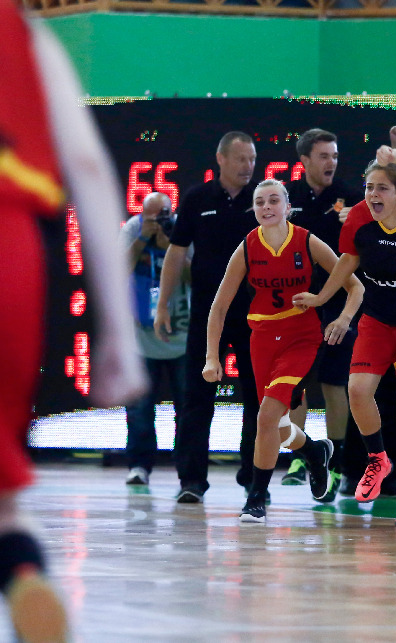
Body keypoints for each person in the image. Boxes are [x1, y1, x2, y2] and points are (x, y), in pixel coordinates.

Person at [1, 5, 147, 641]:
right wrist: (120, 336)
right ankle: (23, 572)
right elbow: (87, 167)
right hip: (11, 254)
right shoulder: (19, 27)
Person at [293, 161, 396, 528]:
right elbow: (348, 261)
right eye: (369, 187)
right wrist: (322, 298)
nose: (372, 195)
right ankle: (377, 458)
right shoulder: (359, 218)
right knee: (357, 389)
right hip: (379, 320)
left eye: (382, 189)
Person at [203, 179, 363, 522]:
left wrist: (343, 319)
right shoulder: (247, 247)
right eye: (260, 202)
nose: (266, 207)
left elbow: (355, 287)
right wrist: (211, 357)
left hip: (301, 338)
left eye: (273, 200)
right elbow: (218, 307)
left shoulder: (306, 241)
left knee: (265, 417)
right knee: (274, 425)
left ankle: (256, 498)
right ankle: (314, 450)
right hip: (261, 339)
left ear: (287, 207)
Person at [155, 131, 260, 503]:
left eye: (252, 159)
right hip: (206, 314)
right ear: (221, 159)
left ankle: (253, 477)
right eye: (241, 159)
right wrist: (163, 303)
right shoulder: (198, 199)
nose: (248, 166)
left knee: (258, 398)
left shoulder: (261, 200)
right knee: (197, 398)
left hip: (255, 315)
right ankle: (192, 482)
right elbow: (176, 253)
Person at [282, 129, 362, 499]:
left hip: (339, 304)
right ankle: (302, 456)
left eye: (334, 155)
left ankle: (338, 457)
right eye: (324, 156)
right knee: (296, 382)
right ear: (305, 161)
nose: (331, 162)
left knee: (335, 382)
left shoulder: (352, 196)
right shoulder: (288, 198)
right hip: (297, 303)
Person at [119, 192, 190, 486]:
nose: (157, 222)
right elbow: (116, 269)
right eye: (151, 217)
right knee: (138, 409)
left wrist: (172, 249)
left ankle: (185, 468)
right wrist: (142, 240)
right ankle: (139, 465)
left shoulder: (183, 230)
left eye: (162, 216)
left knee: (187, 408)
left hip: (181, 336)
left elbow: (197, 275)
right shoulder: (132, 230)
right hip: (141, 338)